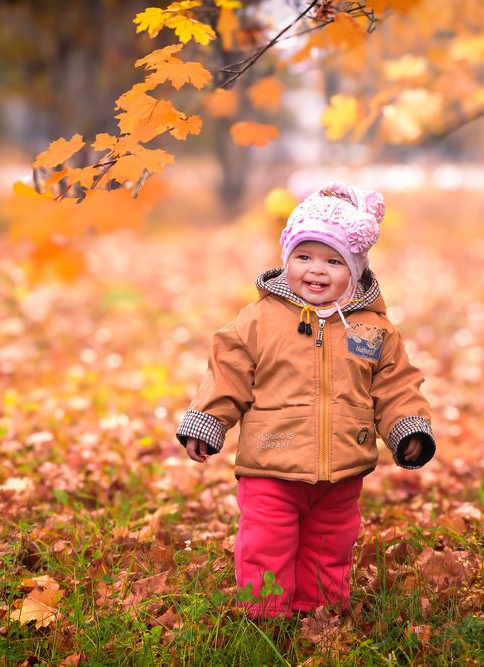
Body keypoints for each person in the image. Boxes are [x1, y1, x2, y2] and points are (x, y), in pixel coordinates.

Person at [176, 181, 435, 617]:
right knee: (266, 544)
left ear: (355, 269)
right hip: (270, 466)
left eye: (334, 260)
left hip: (342, 470)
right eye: (304, 256)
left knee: (329, 546)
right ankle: (265, 618)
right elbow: (227, 375)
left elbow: (395, 386)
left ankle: (320, 614)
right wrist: (208, 421)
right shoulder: (258, 320)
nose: (316, 270)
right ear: (286, 259)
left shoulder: (372, 328)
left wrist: (407, 428)